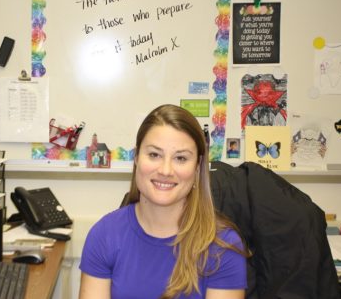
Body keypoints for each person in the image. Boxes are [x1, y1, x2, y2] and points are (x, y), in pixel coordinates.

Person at [79, 104, 248, 299]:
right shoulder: (104, 235)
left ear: (197, 167)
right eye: (154, 155)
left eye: (181, 158)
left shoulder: (222, 246)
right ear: (136, 158)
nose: (166, 170)